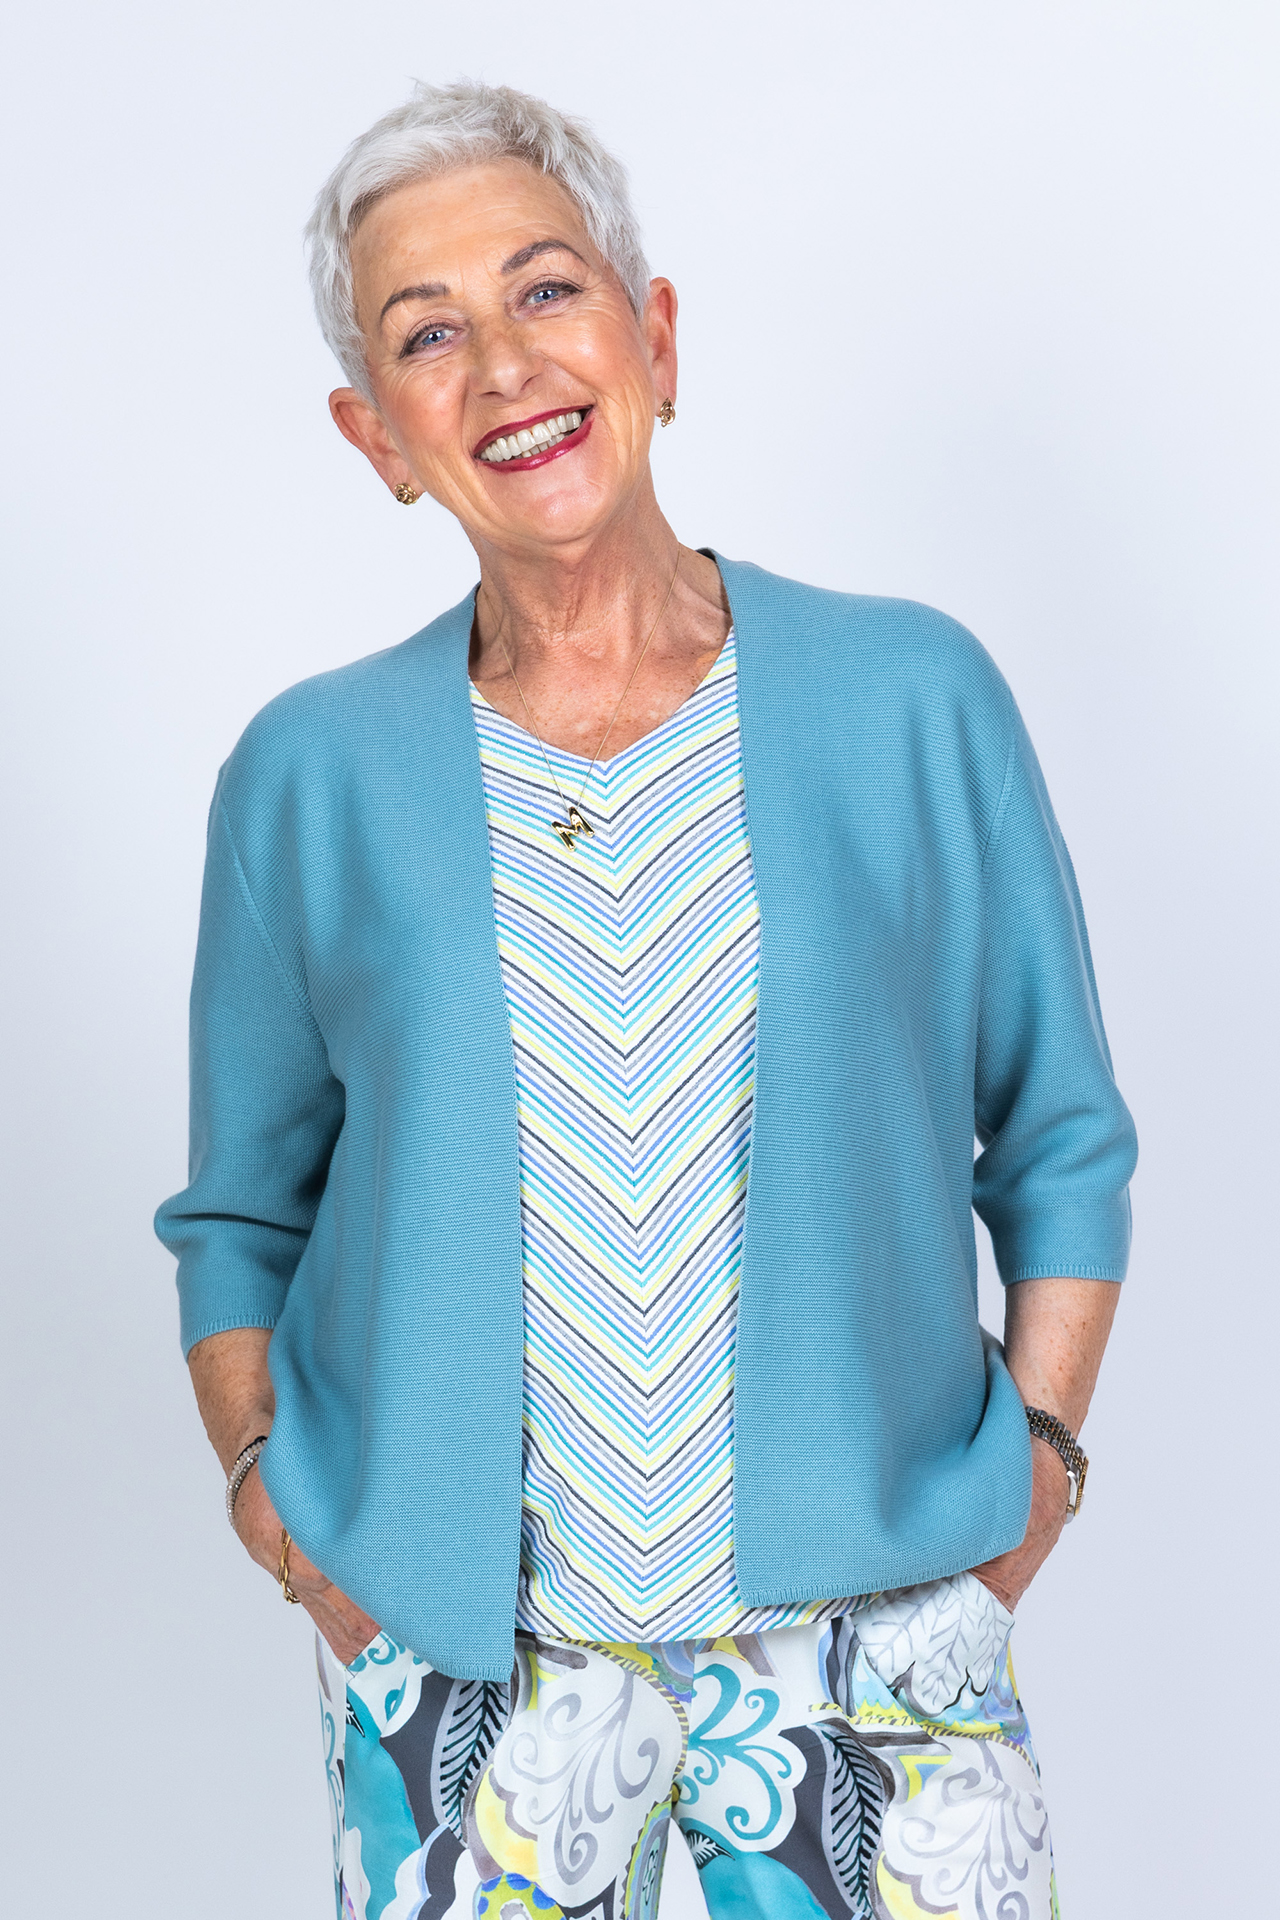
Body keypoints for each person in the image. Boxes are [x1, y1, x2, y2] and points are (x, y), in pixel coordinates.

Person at [156, 79, 1137, 1920]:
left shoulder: (912, 696)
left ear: (654, 337)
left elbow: (1063, 1133)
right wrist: (273, 1500)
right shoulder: (307, 777)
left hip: (872, 1631)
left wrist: (1044, 1460)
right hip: (464, 1658)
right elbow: (240, 1213)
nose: (503, 366)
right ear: (377, 437)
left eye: (547, 290)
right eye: (425, 334)